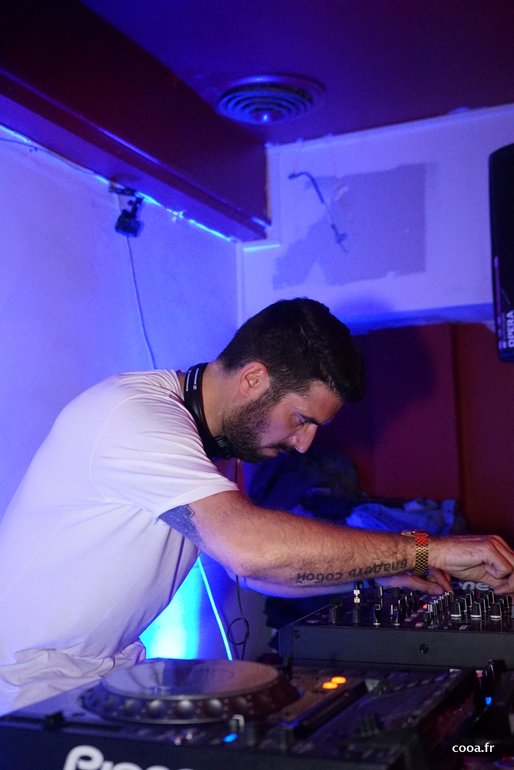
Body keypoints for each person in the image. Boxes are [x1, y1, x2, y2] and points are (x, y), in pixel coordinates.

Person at [1, 297, 513, 715]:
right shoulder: (132, 415)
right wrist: (425, 550)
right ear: (252, 379)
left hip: (96, 679)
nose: (305, 444)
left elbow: (254, 575)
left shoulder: (212, 446)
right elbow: (250, 552)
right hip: (22, 689)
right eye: (301, 419)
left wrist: (379, 573)